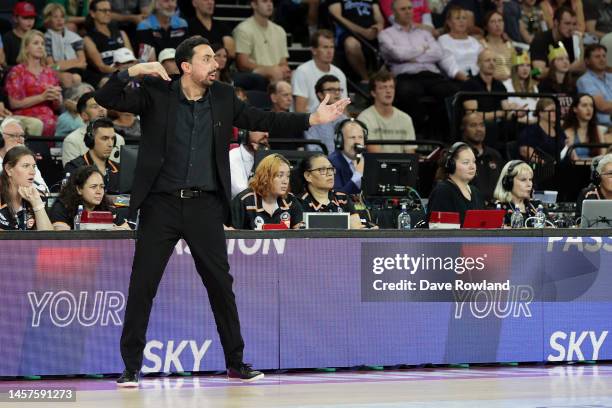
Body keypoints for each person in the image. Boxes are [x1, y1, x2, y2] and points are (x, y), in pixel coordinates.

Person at [92, 35, 349, 386]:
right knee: (142, 286)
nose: (216, 64)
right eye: (207, 58)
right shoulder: (156, 93)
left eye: (215, 58)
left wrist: (311, 119)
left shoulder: (225, 96)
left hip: (205, 206)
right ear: (186, 66)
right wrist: (135, 69)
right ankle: (131, 367)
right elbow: (104, 97)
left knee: (220, 287)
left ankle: (235, 361)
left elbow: (265, 119)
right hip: (161, 204)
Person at [379, 0, 460, 132]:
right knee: (406, 93)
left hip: (431, 75)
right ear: (394, 12)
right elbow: (397, 54)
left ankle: (439, 132)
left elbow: (438, 53)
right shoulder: (386, 34)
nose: (408, 11)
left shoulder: (424, 33)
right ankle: (418, 131)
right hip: (406, 76)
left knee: (452, 92)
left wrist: (411, 55)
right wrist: (422, 48)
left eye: (410, 8)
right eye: (403, 9)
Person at [4, 30, 62, 137]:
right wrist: (42, 97)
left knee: (67, 122)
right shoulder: (17, 72)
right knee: (47, 123)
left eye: (42, 44)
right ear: (26, 48)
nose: (40, 46)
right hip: (27, 116)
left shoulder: (49, 72)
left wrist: (57, 98)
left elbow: (57, 106)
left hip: (50, 115)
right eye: (36, 43)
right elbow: (14, 103)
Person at [231, 153, 303, 229]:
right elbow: (233, 236)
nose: (285, 181)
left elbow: (300, 234)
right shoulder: (244, 201)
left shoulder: (290, 200)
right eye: (280, 175)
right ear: (265, 177)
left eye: (287, 176)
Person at [49, 165, 129, 230]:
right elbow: (62, 238)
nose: (99, 191)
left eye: (102, 186)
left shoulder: (106, 209)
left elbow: (128, 233)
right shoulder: (62, 208)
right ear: (79, 189)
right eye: (93, 187)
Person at [357, 69, 416, 154]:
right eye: (383, 87)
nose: (388, 91)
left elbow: (410, 154)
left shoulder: (405, 118)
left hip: (402, 166)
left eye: (391, 87)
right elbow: (375, 155)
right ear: (373, 93)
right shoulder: (365, 119)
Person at [298, 152, 362, 229]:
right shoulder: (299, 203)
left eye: (331, 169)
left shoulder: (342, 199)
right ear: (308, 176)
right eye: (322, 170)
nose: (330, 174)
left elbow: (357, 229)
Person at [427, 141, 485, 224]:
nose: (472, 166)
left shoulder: (476, 192)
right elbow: (440, 231)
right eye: (466, 162)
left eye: (474, 161)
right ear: (451, 165)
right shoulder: (443, 191)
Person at [62, 91, 125, 166]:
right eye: (95, 107)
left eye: (103, 105)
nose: (102, 109)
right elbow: (73, 174)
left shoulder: (119, 139)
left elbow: (122, 173)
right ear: (84, 115)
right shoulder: (72, 140)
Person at [292, 29, 348, 114]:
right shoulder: (302, 72)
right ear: (314, 50)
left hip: (333, 122)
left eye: (332, 47)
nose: (329, 51)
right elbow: (300, 111)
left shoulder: (339, 74)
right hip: (310, 122)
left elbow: (343, 109)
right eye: (325, 47)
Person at [233, 0, 291, 82]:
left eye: (271, 1)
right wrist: (269, 70)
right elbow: (243, 64)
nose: (269, 4)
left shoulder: (280, 30)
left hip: (278, 77)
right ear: (253, 4)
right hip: (256, 78)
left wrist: (284, 70)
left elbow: (283, 62)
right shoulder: (243, 29)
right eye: (264, 1)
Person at [328, 0, 384, 83]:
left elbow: (379, 17)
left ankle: (383, 79)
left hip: (372, 32)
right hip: (348, 32)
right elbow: (336, 17)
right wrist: (363, 31)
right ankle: (366, 79)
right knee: (351, 44)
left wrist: (377, 27)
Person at [0, 145, 53, 231]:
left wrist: (36, 203)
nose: (32, 172)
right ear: (8, 169)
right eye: (25, 166)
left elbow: (49, 239)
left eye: (34, 166)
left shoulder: (38, 197)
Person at [64, 118, 121, 193]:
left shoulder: (119, 169)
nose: (110, 144)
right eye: (104, 138)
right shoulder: (74, 167)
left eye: (113, 139)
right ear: (91, 140)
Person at [83, 0, 133, 82]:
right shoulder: (88, 39)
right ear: (92, 13)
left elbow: (131, 57)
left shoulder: (121, 33)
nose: (108, 13)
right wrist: (122, 71)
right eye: (103, 10)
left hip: (128, 70)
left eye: (109, 10)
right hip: (108, 75)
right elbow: (101, 66)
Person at [461, 112, 505, 205]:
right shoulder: (459, 155)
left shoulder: (494, 154)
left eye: (481, 125)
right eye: (473, 125)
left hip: (495, 207)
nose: (479, 129)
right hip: (470, 206)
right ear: (464, 129)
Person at [0, 118, 50, 196]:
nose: (20, 140)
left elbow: (44, 192)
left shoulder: (28, 161)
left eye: (21, 136)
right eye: (13, 136)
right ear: (1, 139)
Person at [530, 6, 583, 78]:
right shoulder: (540, 40)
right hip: (545, 85)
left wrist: (580, 44)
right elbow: (536, 72)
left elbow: (581, 67)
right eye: (567, 23)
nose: (571, 28)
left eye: (574, 24)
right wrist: (567, 68)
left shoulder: (573, 39)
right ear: (556, 22)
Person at [43, 3, 87, 89]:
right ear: (48, 19)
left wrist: (60, 64)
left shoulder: (74, 38)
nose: (59, 20)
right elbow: (51, 66)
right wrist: (74, 62)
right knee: (75, 78)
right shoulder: (45, 39)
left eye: (62, 17)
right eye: (55, 17)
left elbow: (83, 63)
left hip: (79, 71)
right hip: (60, 74)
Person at [304, 75, 349, 154]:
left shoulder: (344, 119)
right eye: (331, 90)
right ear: (320, 95)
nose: (337, 93)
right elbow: (312, 149)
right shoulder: (311, 118)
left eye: (339, 89)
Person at [437, 6, 483, 82]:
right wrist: (470, 82)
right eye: (457, 18)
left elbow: (484, 60)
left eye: (464, 18)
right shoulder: (443, 40)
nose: (461, 21)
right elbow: (450, 67)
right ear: (449, 22)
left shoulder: (473, 41)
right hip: (458, 81)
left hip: (479, 79)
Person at [493, 160, 543, 226]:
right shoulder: (498, 210)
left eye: (530, 179)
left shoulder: (537, 207)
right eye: (523, 180)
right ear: (508, 183)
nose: (529, 184)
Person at [518, 97, 567, 162]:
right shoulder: (531, 130)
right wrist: (546, 164)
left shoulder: (559, 130)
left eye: (556, 110)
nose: (555, 113)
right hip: (539, 168)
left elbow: (567, 147)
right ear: (540, 113)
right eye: (551, 110)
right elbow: (525, 151)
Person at [576, 44, 612, 129]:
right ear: (587, 61)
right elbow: (602, 106)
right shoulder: (585, 81)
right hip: (601, 127)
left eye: (604, 56)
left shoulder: (611, 77)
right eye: (597, 57)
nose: (602, 59)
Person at [538, 42, 576, 118]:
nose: (565, 62)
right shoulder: (544, 84)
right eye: (560, 59)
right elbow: (534, 71)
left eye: (567, 59)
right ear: (552, 64)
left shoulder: (572, 85)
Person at [328, 118, 366, 195]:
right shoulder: (332, 162)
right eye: (352, 137)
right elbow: (338, 196)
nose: (357, 142)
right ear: (340, 140)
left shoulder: (368, 160)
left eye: (360, 137)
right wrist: (358, 175)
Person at [563, 93, 606, 160]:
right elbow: (574, 159)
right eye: (584, 105)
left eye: (591, 106)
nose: (589, 109)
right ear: (575, 109)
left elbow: (603, 158)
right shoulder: (567, 132)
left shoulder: (598, 130)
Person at [229, 130, 269, 198]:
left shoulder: (268, 156)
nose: (266, 134)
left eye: (267, 131)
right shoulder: (233, 156)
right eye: (260, 130)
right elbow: (240, 193)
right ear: (244, 133)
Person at [503, 51, 539, 123]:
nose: (525, 69)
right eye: (521, 65)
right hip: (517, 125)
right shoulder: (506, 85)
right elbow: (509, 114)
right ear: (515, 68)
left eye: (528, 65)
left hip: (535, 124)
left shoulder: (534, 87)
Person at [479, 10, 515, 82]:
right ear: (486, 26)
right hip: (494, 83)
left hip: (512, 82)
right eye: (492, 22)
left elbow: (516, 66)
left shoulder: (509, 45)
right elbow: (480, 68)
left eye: (500, 21)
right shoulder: (481, 45)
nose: (497, 25)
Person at [2, 2, 36, 68]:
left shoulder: (36, 36)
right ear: (15, 18)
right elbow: (4, 64)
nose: (29, 21)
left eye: (32, 18)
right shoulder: (8, 38)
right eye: (25, 18)